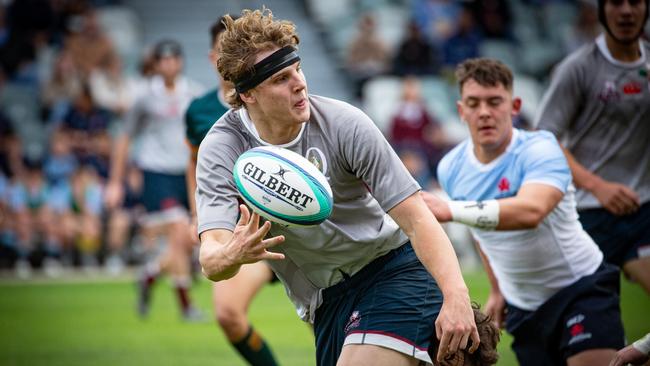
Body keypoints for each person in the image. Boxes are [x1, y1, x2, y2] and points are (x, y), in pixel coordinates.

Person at [196, 9, 480, 366]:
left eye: (297, 69)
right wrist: (231, 254)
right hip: (326, 301)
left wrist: (456, 295)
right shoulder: (222, 147)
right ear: (249, 94)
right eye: (281, 79)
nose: (299, 83)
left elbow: (418, 219)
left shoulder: (344, 123)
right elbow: (211, 259)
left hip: (394, 268)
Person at [422, 58, 626, 365]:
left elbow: (532, 210)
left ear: (514, 106)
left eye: (495, 102)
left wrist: (450, 209)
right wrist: (496, 289)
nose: (485, 112)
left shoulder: (540, 148)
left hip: (580, 287)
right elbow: (482, 233)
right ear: (461, 111)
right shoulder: (451, 166)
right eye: (474, 104)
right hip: (524, 308)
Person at [533, 0, 650, 294]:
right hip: (590, 213)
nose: (626, 11)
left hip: (644, 207)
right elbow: (545, 137)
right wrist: (598, 186)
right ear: (601, 10)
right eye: (615, 2)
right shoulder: (578, 68)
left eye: (635, 1)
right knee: (595, 323)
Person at [184, 16, 280, 365]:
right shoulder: (199, 111)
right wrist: (199, 215)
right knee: (228, 314)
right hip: (239, 229)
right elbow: (193, 162)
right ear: (214, 57)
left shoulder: (278, 97)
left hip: (296, 223)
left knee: (324, 318)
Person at [105, 39, 204, 320]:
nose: (170, 64)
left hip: (184, 173)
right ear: (157, 65)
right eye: (164, 60)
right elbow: (124, 138)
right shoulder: (144, 97)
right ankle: (186, 306)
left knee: (184, 241)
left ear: (180, 62)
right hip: (156, 172)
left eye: (174, 59)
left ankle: (149, 276)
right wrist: (115, 181)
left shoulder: (193, 94)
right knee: (177, 229)